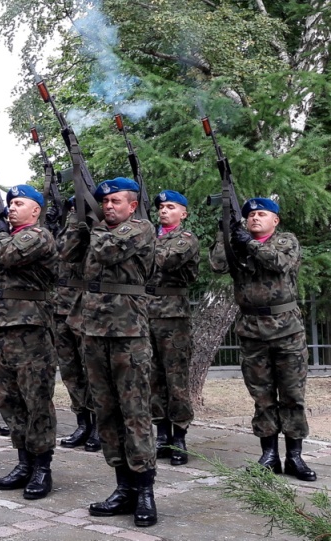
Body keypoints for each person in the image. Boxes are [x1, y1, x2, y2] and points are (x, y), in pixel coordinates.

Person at [62, 177, 157, 527]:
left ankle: (145, 491)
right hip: (93, 333)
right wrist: (77, 218)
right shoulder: (95, 228)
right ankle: (123, 488)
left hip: (127, 334)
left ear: (132, 205)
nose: (108, 206)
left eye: (116, 201)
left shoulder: (141, 228)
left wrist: (94, 225)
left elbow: (106, 251)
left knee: (135, 412)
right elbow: (67, 254)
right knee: (106, 413)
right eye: (104, 202)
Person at [210, 197, 316, 482]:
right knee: (262, 396)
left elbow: (279, 264)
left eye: (261, 214)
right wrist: (224, 231)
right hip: (252, 331)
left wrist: (250, 243)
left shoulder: (286, 242)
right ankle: (269, 454)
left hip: (287, 331)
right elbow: (218, 265)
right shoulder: (239, 245)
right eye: (250, 215)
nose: (255, 218)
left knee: (292, 395)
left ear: (275, 220)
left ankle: (294, 456)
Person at [0, 186, 58, 500]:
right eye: (10, 204)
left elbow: (8, 255)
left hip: (30, 331)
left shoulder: (39, 235)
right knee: (10, 401)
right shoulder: (2, 236)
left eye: (19, 203)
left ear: (36, 210)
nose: (12, 208)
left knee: (36, 401)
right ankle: (23, 461)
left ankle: (42, 467)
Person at [148, 191, 199, 465]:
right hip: (146, 314)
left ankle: (179, 437)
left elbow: (166, 260)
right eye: (161, 207)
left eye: (170, 207)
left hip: (173, 316)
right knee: (153, 378)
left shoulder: (186, 239)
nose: (164, 211)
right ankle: (162, 434)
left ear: (183, 213)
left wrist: (142, 240)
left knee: (175, 379)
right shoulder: (150, 235)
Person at [53, 198, 100, 452]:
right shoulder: (62, 229)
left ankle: (98, 426)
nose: (71, 214)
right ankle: (82, 422)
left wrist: (77, 222)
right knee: (70, 371)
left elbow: (71, 253)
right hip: (59, 307)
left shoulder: (88, 230)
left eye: (76, 210)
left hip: (81, 307)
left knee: (90, 370)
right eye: (69, 209)